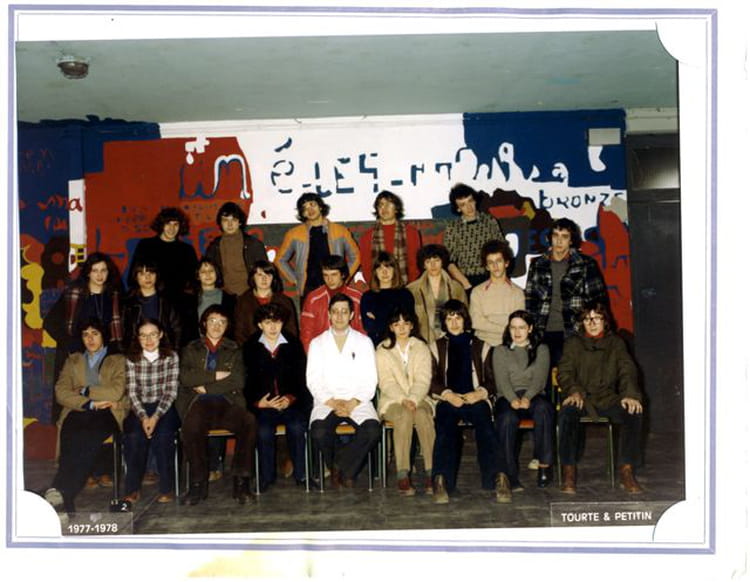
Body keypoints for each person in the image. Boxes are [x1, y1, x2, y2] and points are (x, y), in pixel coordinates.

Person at [43, 318, 128, 517]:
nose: (90, 339)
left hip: (108, 412)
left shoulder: (118, 360)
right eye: (85, 334)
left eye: (95, 334)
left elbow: (116, 392)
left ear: (104, 335)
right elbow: (61, 392)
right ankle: (63, 493)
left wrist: (85, 390)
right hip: (80, 410)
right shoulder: (73, 360)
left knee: (87, 437)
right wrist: (88, 402)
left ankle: (61, 490)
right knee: (70, 433)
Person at [556, 301, 644, 494]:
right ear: (582, 322)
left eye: (597, 318)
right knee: (567, 414)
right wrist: (573, 391)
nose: (592, 323)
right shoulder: (573, 343)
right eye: (587, 319)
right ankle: (569, 470)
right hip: (580, 397)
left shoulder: (616, 343)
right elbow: (565, 372)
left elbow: (627, 370)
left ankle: (627, 469)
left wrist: (629, 395)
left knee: (633, 412)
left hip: (607, 398)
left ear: (605, 321)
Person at [429, 300, 508, 504]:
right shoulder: (436, 347)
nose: (454, 323)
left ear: (465, 320)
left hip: (475, 398)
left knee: (486, 428)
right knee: (445, 430)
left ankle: (497, 478)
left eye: (458, 318)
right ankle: (441, 480)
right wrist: (447, 395)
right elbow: (431, 381)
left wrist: (480, 393)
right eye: (449, 319)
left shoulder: (482, 346)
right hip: (449, 399)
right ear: (444, 322)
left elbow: (492, 380)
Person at [177, 304, 256, 505]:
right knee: (191, 426)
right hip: (198, 403)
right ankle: (197, 484)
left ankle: (241, 482)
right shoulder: (191, 348)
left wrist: (206, 387)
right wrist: (216, 375)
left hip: (227, 402)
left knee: (248, 422)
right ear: (204, 323)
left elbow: (237, 380)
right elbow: (186, 377)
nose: (216, 326)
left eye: (222, 322)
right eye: (212, 321)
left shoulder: (234, 349)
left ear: (227, 326)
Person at [307, 293, 380, 488]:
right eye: (335, 312)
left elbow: (370, 379)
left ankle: (340, 467)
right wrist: (332, 402)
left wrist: (352, 403)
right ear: (329, 314)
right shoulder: (317, 343)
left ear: (351, 315)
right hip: (327, 401)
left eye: (344, 311)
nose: (339, 316)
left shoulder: (364, 342)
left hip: (357, 401)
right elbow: (313, 380)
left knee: (372, 430)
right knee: (319, 431)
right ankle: (348, 471)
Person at [244, 303, 311, 492]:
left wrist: (290, 398)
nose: (273, 327)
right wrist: (258, 402)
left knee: (297, 427)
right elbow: (246, 380)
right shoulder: (250, 347)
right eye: (267, 322)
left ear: (283, 323)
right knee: (263, 430)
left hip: (290, 403)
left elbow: (302, 378)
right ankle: (266, 477)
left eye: (277, 322)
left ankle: (302, 475)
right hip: (264, 405)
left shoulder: (293, 344)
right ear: (260, 325)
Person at [524, 217, 608, 366]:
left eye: (564, 236)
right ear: (549, 238)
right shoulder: (537, 264)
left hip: (575, 332)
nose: (559, 241)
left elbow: (598, 303)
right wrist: (531, 332)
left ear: (571, 240)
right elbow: (530, 301)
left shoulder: (586, 264)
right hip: (542, 332)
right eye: (555, 235)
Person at [492, 310, 554, 495]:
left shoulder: (541, 349)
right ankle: (509, 475)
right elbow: (502, 381)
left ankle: (544, 465)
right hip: (507, 396)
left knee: (544, 409)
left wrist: (527, 397)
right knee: (507, 418)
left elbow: (540, 379)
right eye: (513, 327)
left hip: (533, 395)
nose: (517, 332)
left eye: (522, 327)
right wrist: (513, 399)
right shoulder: (500, 351)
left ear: (530, 328)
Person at [375, 307, 435, 495]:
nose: (401, 328)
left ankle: (432, 471)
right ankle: (402, 473)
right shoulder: (382, 350)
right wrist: (403, 399)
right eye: (397, 324)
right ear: (391, 327)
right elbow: (386, 382)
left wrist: (413, 399)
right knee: (403, 416)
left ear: (412, 326)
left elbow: (424, 379)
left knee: (423, 415)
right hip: (392, 400)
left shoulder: (421, 347)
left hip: (420, 398)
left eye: (405, 323)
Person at [122, 318, 180, 504]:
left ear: (161, 335)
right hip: (139, 408)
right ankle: (132, 489)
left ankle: (167, 488)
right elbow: (132, 393)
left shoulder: (171, 357)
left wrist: (155, 417)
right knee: (133, 436)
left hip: (163, 406)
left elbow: (170, 392)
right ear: (137, 338)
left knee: (163, 437)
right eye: (143, 336)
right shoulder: (131, 359)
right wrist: (143, 417)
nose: (148, 340)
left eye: (153, 335)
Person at [275, 192, 360, 300]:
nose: (310, 210)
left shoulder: (340, 231)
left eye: (312, 204)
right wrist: (295, 279)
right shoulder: (294, 234)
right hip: (309, 288)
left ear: (320, 206)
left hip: (335, 287)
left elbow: (356, 257)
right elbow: (280, 260)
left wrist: (344, 277)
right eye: (305, 208)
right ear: (302, 214)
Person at [128, 207, 198, 307]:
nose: (172, 228)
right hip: (151, 300)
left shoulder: (187, 250)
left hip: (179, 303)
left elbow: (194, 281)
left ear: (180, 226)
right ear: (161, 225)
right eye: (168, 224)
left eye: (175, 224)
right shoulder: (146, 246)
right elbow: (133, 276)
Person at [442, 183, 505, 292]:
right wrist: (466, 283)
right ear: (458, 209)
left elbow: (502, 251)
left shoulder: (489, 221)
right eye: (463, 205)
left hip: (491, 276)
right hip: (466, 280)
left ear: (475, 200)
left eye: (470, 201)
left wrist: (497, 278)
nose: (469, 207)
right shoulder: (453, 228)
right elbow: (449, 261)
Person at [299, 254, 364, 352]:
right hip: (321, 352)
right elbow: (306, 334)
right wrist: (313, 356)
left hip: (350, 352)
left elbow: (362, 331)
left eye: (334, 275)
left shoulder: (357, 298)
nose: (329, 279)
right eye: (326, 275)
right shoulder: (313, 298)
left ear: (343, 274)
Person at [204, 201, 268, 297]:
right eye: (225, 220)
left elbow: (265, 273)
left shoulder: (253, 244)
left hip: (250, 295)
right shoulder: (214, 246)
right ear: (220, 223)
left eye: (233, 220)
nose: (229, 224)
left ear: (240, 222)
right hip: (223, 296)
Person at [407, 244, 467, 345]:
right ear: (423, 265)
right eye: (428, 261)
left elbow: (465, 316)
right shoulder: (412, 289)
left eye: (436, 260)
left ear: (442, 262)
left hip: (451, 339)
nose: (433, 265)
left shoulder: (456, 287)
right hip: (423, 341)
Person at [357, 190, 422, 285]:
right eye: (381, 205)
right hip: (378, 287)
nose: (384, 208)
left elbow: (415, 264)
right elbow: (366, 267)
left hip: (405, 285)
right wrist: (375, 286)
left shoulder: (411, 232)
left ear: (396, 209)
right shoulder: (368, 236)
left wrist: (407, 286)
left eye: (389, 204)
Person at [469, 239, 525, 347]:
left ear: (506, 263)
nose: (495, 266)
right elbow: (476, 322)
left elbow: (519, 324)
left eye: (499, 261)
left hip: (508, 345)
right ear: (486, 266)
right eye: (491, 262)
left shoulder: (518, 293)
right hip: (482, 345)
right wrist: (505, 328)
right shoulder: (477, 292)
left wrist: (489, 322)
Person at [234, 259, 299, 346]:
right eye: (260, 275)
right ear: (253, 277)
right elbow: (239, 332)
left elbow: (291, 331)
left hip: (280, 349)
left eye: (268, 275)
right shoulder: (243, 301)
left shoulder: (284, 301)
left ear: (273, 278)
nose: (264, 278)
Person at [122, 259, 182, 349]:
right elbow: (123, 330)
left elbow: (177, 328)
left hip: (164, 350)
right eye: (142, 274)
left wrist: (174, 350)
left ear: (157, 275)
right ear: (136, 277)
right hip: (135, 351)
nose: (148, 277)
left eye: (151, 273)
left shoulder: (167, 301)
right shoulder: (128, 303)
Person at [360, 251, 416, 346]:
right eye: (380, 268)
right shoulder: (367, 297)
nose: (384, 272)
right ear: (375, 272)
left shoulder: (405, 295)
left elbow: (409, 325)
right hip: (377, 346)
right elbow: (369, 327)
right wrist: (395, 322)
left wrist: (378, 320)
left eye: (388, 267)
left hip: (402, 345)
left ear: (395, 270)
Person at [183, 257, 237, 343]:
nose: (208, 274)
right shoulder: (188, 300)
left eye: (211, 271)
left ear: (217, 273)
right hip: (196, 346)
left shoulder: (230, 299)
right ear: (198, 276)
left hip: (223, 346)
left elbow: (233, 328)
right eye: (203, 272)